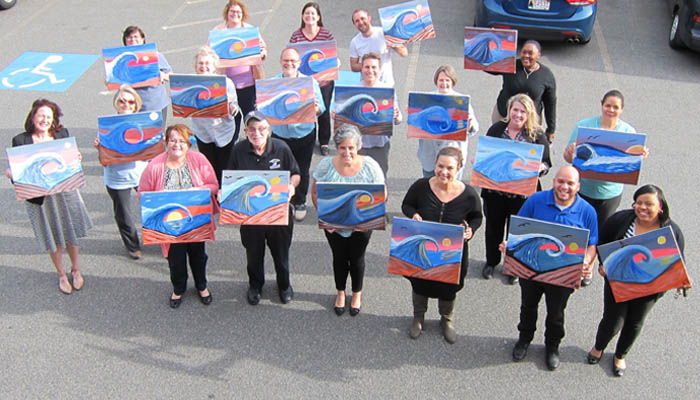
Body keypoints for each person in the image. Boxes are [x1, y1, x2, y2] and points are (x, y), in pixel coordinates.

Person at [504, 166, 598, 371]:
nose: (564, 186)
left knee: (556, 313)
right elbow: (518, 230)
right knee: (528, 306)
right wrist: (508, 245)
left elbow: (592, 244)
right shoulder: (535, 200)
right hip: (531, 271)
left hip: (564, 275)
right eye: (560, 181)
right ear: (553, 181)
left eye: (570, 183)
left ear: (578, 186)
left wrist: (587, 262)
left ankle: (552, 346)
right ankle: (524, 338)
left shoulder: (588, 211)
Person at [586, 185, 685, 377]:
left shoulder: (672, 231)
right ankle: (599, 347)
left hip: (650, 289)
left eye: (649, 204)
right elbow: (602, 242)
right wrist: (603, 263)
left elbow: (678, 261)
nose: (642, 207)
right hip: (618, 282)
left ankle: (620, 355)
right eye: (638, 203)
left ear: (661, 207)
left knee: (635, 322)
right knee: (612, 320)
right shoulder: (620, 220)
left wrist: (681, 280)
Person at [563, 90, 648, 288]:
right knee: (577, 229)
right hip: (583, 190)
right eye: (608, 105)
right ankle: (570, 264)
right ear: (601, 105)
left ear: (621, 110)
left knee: (599, 233)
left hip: (609, 194)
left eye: (615, 107)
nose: (611, 110)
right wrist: (569, 154)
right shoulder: (584, 126)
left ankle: (588, 267)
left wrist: (639, 158)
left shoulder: (628, 133)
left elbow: (629, 166)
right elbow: (569, 159)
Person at [8, 99, 93, 294]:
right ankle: (61, 274)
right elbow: (19, 175)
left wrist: (76, 158)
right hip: (40, 200)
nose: (45, 120)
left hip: (65, 193)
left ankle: (76, 269)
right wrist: (13, 176)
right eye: (41, 116)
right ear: (33, 117)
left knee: (70, 233)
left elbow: (71, 163)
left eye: (49, 117)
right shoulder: (20, 140)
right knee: (52, 237)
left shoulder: (61, 135)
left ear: (53, 120)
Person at [401, 147, 483, 343]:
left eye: (449, 168)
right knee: (420, 283)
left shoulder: (469, 194)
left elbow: (477, 217)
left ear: (459, 168)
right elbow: (407, 205)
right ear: (435, 165)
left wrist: (471, 229)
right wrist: (413, 215)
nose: (443, 172)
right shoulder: (421, 186)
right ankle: (418, 317)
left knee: (448, 287)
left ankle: (447, 319)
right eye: (440, 166)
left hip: (451, 253)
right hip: (423, 249)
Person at [138, 124, 218, 308]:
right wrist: (161, 198)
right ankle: (179, 288)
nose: (177, 144)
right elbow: (143, 192)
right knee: (176, 260)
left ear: (188, 144)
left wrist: (197, 190)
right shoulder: (155, 165)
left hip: (195, 220)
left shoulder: (199, 159)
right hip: (169, 225)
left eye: (182, 141)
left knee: (198, 256)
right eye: (173, 140)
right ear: (166, 142)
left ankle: (202, 285)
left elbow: (213, 185)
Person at [226, 111, 301, 306]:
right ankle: (255, 285)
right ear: (245, 131)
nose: (256, 133)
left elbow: (295, 174)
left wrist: (292, 186)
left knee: (281, 253)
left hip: (278, 214)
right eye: (252, 129)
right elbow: (230, 179)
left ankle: (284, 285)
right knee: (253, 254)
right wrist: (224, 193)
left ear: (268, 130)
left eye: (261, 128)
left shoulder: (281, 148)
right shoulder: (238, 150)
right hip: (251, 216)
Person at [311, 125, 385, 316]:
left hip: (362, 225)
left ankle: (357, 293)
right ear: (337, 147)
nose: (347, 152)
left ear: (358, 146)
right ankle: (341, 292)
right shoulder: (326, 166)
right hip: (333, 226)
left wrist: (367, 220)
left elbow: (382, 194)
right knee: (339, 258)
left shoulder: (370, 165)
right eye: (343, 147)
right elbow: (315, 192)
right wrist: (326, 218)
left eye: (351, 148)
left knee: (357, 258)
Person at [481, 94, 551, 283]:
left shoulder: (537, 135)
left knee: (517, 231)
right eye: (515, 110)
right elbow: (487, 155)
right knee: (493, 228)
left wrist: (540, 167)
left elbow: (547, 163)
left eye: (523, 111)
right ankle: (491, 261)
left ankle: (512, 266)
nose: (518, 114)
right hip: (495, 192)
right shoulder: (497, 129)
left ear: (529, 114)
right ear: (509, 110)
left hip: (522, 195)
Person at [270, 47, 324, 222]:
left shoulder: (310, 83)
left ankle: (300, 201)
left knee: (302, 169)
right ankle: (281, 201)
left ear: (299, 63)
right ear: (280, 62)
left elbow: (320, 109)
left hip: (304, 133)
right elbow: (264, 113)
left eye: (293, 61)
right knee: (279, 169)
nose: (289, 64)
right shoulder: (272, 83)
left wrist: (314, 107)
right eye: (286, 61)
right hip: (280, 135)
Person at [94, 84, 148, 259]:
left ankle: (158, 237)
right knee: (123, 214)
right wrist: (100, 149)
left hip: (142, 174)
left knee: (153, 207)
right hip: (117, 178)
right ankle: (132, 245)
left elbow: (152, 154)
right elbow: (103, 161)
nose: (126, 104)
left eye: (130, 102)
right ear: (116, 103)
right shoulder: (107, 126)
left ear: (136, 104)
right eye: (122, 101)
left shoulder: (145, 123)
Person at [212, 0, 268, 142]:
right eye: (232, 11)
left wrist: (261, 54)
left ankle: (253, 143)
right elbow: (209, 53)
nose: (235, 14)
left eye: (238, 12)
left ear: (243, 14)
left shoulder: (249, 31)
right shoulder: (218, 32)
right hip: (228, 85)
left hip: (248, 83)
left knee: (251, 117)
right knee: (232, 119)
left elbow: (263, 49)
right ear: (227, 13)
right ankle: (234, 146)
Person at [343, 52, 402, 177]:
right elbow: (344, 121)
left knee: (379, 179)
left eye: (374, 67)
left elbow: (399, 118)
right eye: (367, 67)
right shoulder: (351, 91)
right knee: (357, 178)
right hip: (357, 146)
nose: (370, 70)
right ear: (362, 69)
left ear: (380, 70)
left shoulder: (387, 91)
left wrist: (397, 117)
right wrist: (337, 116)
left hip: (379, 145)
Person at [288, 1, 335, 155]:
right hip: (304, 83)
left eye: (312, 14)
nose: (309, 16)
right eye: (307, 13)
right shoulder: (296, 36)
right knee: (307, 110)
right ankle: (310, 138)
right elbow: (291, 56)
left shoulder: (326, 34)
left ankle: (324, 142)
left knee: (324, 110)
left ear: (318, 17)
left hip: (324, 82)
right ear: (302, 16)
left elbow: (331, 57)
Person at [417, 64, 479, 180]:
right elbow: (416, 126)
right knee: (429, 187)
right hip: (430, 157)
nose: (444, 83)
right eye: (441, 80)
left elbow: (474, 127)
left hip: (453, 157)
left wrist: (469, 124)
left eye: (447, 80)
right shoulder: (425, 99)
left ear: (453, 82)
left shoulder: (461, 101)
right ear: (436, 81)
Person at [487, 40, 556, 143]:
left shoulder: (546, 75)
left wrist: (551, 129)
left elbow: (550, 103)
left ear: (538, 55)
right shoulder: (511, 65)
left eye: (530, 53)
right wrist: (491, 38)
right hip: (503, 114)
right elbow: (488, 66)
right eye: (524, 52)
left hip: (530, 120)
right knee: (499, 145)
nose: (526, 56)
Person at [190, 46, 239, 184]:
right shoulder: (190, 82)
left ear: (214, 66)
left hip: (223, 131)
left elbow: (234, 111)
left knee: (225, 169)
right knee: (208, 169)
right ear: (196, 65)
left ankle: (223, 199)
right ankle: (212, 200)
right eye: (200, 63)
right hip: (203, 132)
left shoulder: (226, 82)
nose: (203, 66)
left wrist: (229, 104)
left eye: (207, 63)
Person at [121, 26, 172, 123]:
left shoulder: (154, 55)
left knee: (156, 136)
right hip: (132, 106)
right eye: (129, 37)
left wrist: (163, 75)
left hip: (155, 104)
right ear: (125, 41)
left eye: (136, 37)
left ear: (142, 39)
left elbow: (171, 76)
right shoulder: (121, 60)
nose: (133, 40)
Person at [349, 8, 407, 86]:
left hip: (386, 83)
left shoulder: (384, 33)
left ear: (369, 18)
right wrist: (369, 67)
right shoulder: (355, 42)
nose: (361, 22)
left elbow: (404, 53)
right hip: (367, 85)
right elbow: (353, 66)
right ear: (354, 24)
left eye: (363, 18)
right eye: (357, 21)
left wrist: (393, 44)